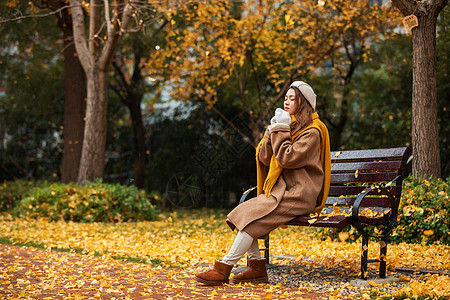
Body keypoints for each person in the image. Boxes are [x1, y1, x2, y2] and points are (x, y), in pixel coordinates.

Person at [195, 81, 331, 286]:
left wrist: (281, 129)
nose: (286, 101)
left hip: (300, 194)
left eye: (292, 98)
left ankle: (223, 268)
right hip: (282, 191)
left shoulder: (313, 131)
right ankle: (257, 269)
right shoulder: (288, 126)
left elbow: (287, 158)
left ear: (303, 104)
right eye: (286, 97)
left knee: (252, 222)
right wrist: (272, 131)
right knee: (246, 212)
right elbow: (265, 158)